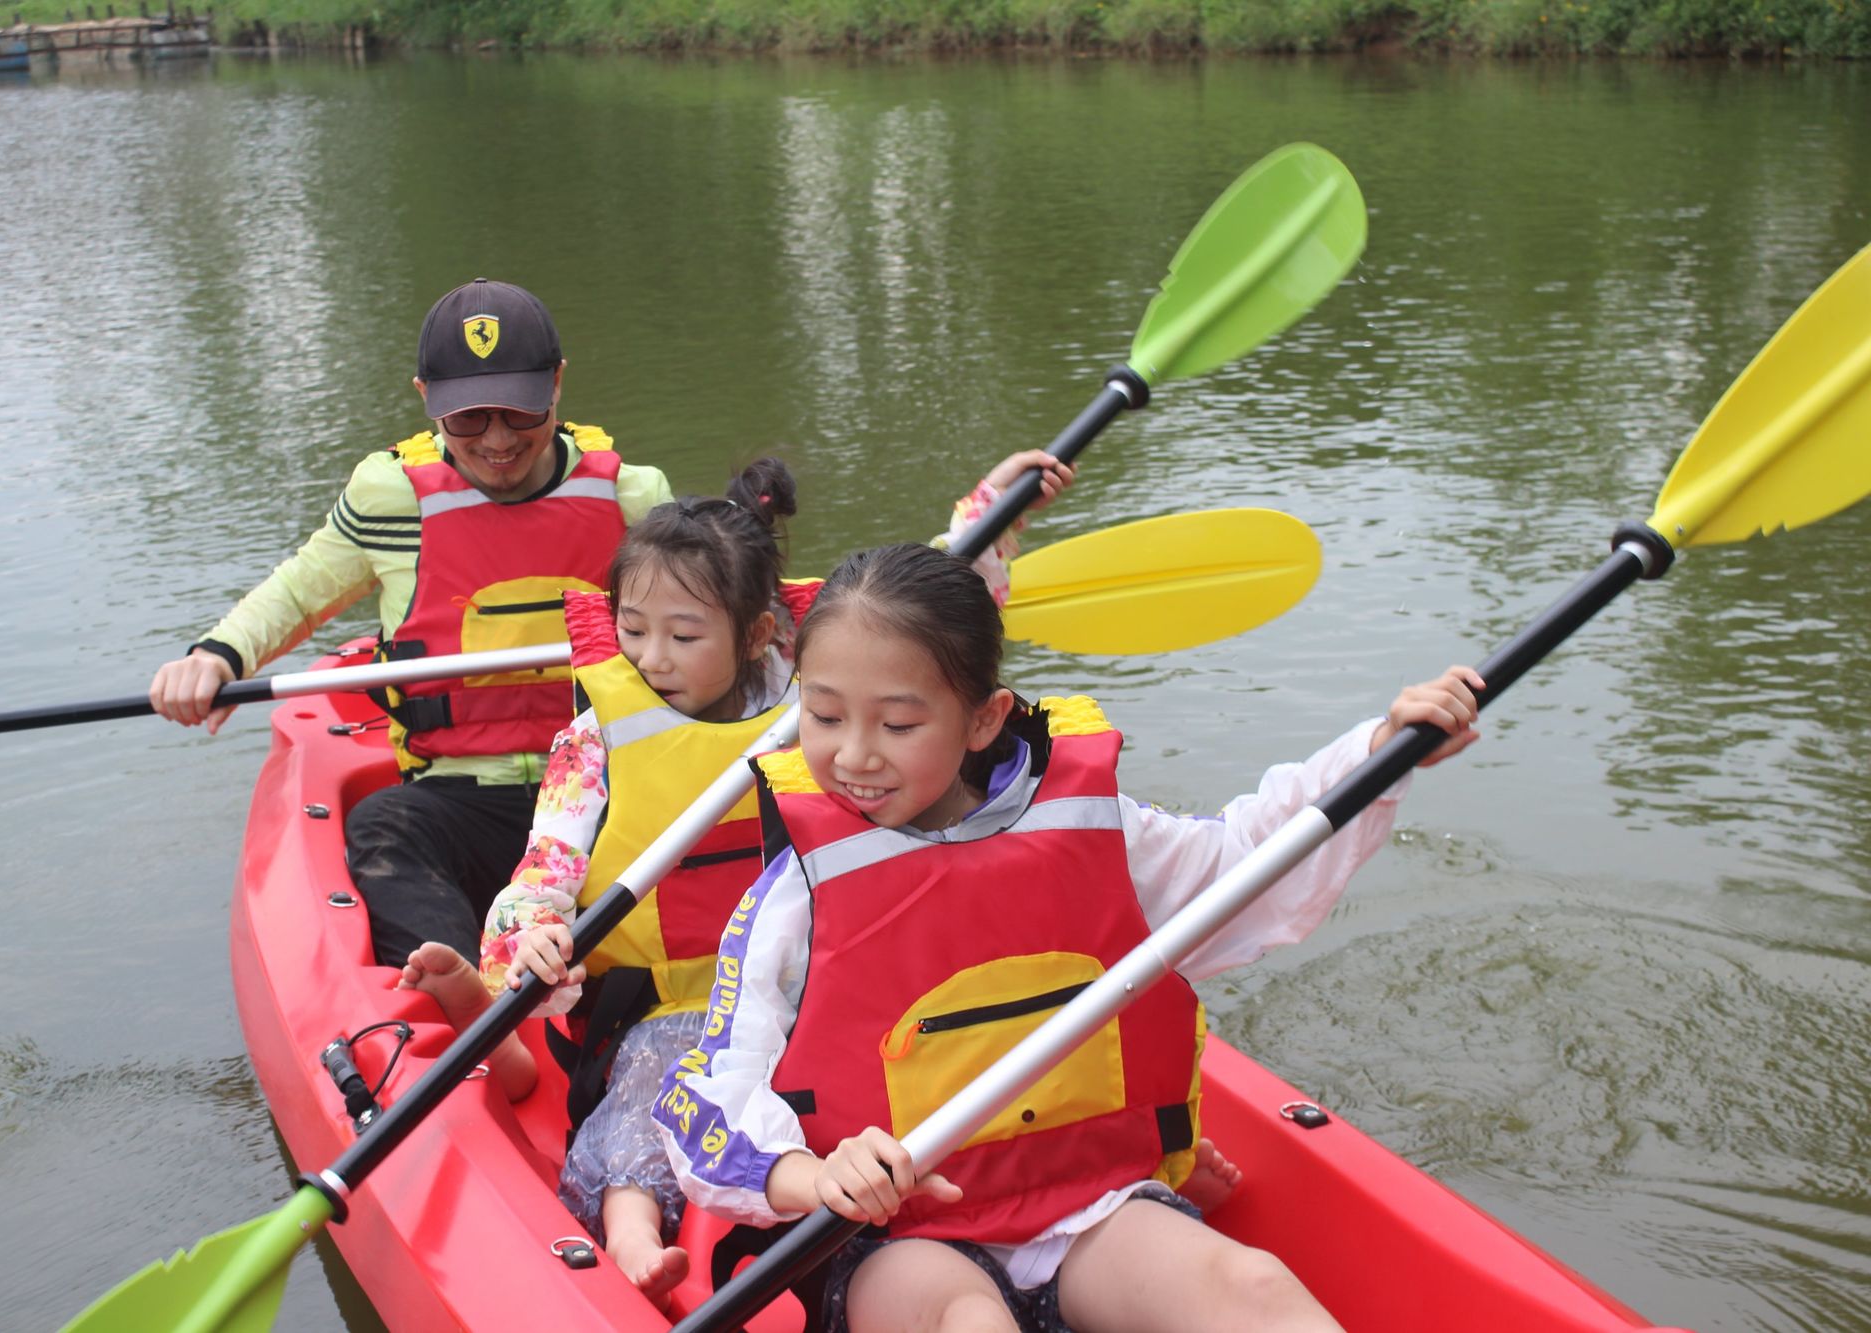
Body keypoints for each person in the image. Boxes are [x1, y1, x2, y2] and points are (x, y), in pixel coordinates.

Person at [653, 541, 1485, 1333]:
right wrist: (813, 1174)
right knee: (969, 1321)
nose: (854, 755)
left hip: (1084, 1206)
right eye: (825, 716)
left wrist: (1380, 752)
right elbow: (704, 1097)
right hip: (902, 1238)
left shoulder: (1091, 827)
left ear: (985, 719)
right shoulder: (794, 889)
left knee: (1252, 1286)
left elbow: (1241, 866)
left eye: (899, 726)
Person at [394, 451, 1075, 1307]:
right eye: (632, 627)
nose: (651, 657)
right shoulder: (594, 738)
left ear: (757, 633)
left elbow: (932, 607)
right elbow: (543, 871)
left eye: (683, 635)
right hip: (687, 999)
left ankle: (1094, 1178)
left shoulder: (816, 698)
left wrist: (994, 504)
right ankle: (633, 1230)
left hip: (836, 969)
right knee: (664, 1079)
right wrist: (529, 935)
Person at [148, 279, 673, 967]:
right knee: (384, 827)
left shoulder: (633, 498)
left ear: (558, 385)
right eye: (467, 418)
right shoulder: (388, 497)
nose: (496, 440)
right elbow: (301, 593)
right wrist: (217, 656)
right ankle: (464, 995)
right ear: (426, 397)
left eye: (519, 412)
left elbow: (711, 621)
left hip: (601, 788)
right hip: (459, 799)